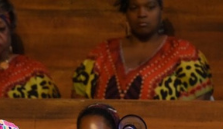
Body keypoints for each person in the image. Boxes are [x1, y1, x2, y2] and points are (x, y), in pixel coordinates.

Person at [71, 0, 213, 100]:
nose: (142, 14)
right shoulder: (101, 54)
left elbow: (197, 106)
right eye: (134, 7)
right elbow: (78, 102)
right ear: (126, 12)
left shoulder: (183, 53)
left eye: (150, 7)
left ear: (160, 10)